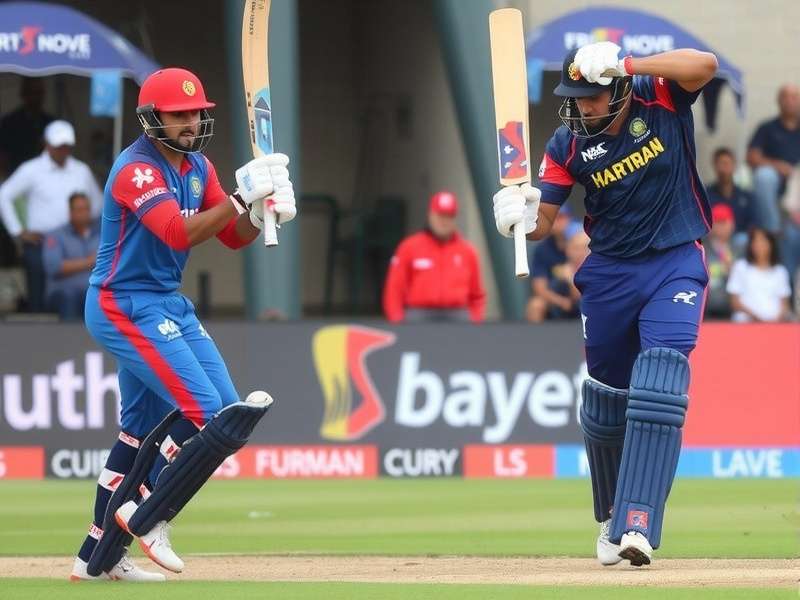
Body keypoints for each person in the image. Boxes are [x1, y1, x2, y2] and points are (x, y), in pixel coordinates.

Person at [493, 42, 717, 567]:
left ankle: (638, 522)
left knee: (661, 379)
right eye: (576, 99)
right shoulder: (566, 143)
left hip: (675, 260)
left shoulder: (657, 94)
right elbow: (544, 220)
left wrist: (631, 64)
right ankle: (611, 513)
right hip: (611, 273)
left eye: (592, 98)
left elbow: (704, 65)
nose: (582, 108)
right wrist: (518, 214)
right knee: (607, 402)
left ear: (617, 89)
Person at [69, 68, 297, 582]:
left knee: (174, 425)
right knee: (208, 413)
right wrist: (242, 198)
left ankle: (95, 557)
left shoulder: (198, 166)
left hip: (166, 304)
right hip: (120, 303)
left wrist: (261, 211)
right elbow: (175, 233)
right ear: (153, 118)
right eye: (181, 113)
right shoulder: (137, 170)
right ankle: (147, 513)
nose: (193, 120)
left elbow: (232, 236)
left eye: (198, 112)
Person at [0, 120, 102, 312]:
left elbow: (98, 204)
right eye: (58, 146)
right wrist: (18, 231)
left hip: (75, 239)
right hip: (42, 240)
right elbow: (4, 194)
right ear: (47, 143)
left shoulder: (81, 170)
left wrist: (90, 233)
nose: (63, 150)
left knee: (79, 290)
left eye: (66, 146)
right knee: (38, 297)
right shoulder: (31, 169)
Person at [382, 190, 485, 322]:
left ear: (455, 218)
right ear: (431, 215)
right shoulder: (408, 247)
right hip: (419, 315)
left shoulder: (468, 252)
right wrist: (397, 321)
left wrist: (475, 320)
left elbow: (477, 295)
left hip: (457, 316)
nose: (444, 221)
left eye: (449, 216)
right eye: (440, 215)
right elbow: (394, 290)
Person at [746, 84, 800, 232]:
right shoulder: (767, 128)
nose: (789, 101)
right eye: (785, 97)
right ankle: (773, 231)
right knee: (764, 176)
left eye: (794, 97)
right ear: (779, 101)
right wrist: (778, 166)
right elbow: (752, 158)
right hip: (775, 182)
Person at [42, 192, 100, 321]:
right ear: (70, 212)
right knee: (70, 295)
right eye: (79, 210)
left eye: (86, 209)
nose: (84, 213)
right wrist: (89, 261)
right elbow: (54, 267)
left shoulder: (101, 234)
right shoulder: (55, 235)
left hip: (93, 289)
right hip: (63, 290)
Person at [726, 227, 792, 323]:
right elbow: (735, 302)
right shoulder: (740, 267)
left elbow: (785, 304)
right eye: (755, 242)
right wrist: (756, 317)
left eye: (763, 241)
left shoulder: (780, 271)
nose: (759, 246)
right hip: (745, 324)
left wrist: (776, 320)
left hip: (774, 327)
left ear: (771, 244)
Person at [526, 205, 578, 322]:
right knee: (536, 305)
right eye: (554, 218)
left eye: (561, 217)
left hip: (579, 294)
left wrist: (571, 280)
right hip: (554, 298)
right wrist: (561, 301)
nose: (558, 222)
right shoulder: (542, 249)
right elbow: (539, 287)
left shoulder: (581, 243)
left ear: (569, 219)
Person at [0, 77, 54, 177]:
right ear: (24, 95)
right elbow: (3, 155)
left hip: (45, 178)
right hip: (17, 177)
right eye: (34, 93)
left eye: (40, 93)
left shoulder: (51, 122)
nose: (38, 97)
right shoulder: (10, 122)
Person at [706, 147, 755, 240]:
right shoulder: (705, 196)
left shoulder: (745, 196)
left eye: (728, 163)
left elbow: (752, 225)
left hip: (739, 242)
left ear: (734, 165)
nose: (725, 168)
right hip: (713, 240)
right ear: (715, 166)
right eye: (721, 164)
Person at [702, 203, 736, 318]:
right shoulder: (702, 249)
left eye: (724, 222)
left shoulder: (741, 248)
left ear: (731, 224)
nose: (721, 227)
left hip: (734, 310)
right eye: (718, 222)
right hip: (707, 309)